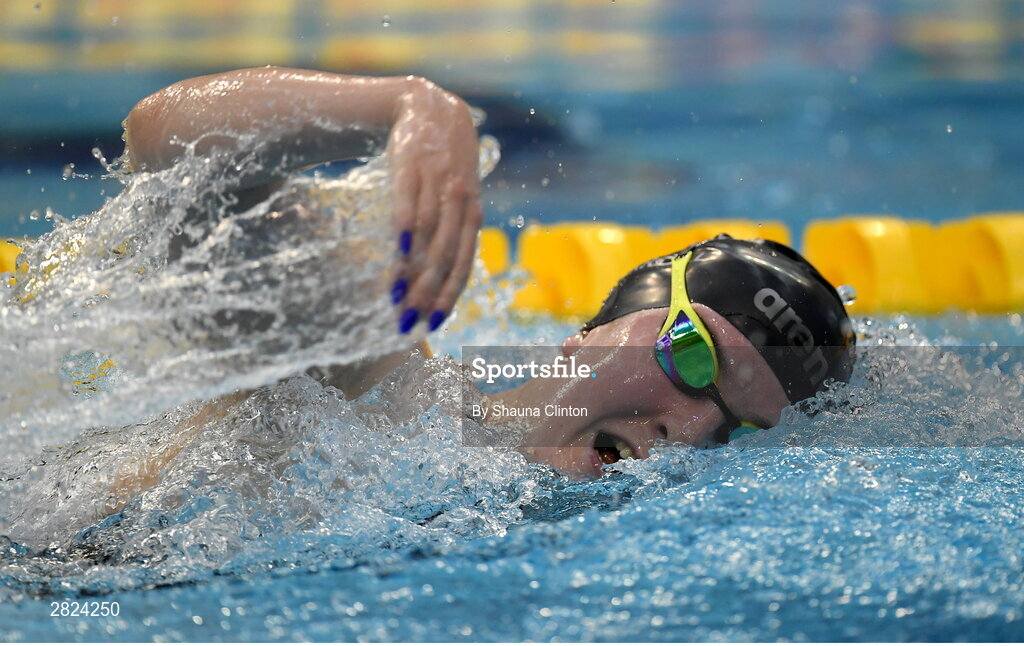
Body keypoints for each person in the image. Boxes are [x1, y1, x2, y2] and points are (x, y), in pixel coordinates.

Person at [41, 67, 858, 504]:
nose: (688, 428)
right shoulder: (380, 385)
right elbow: (170, 148)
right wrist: (405, 105)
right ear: (596, 329)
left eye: (737, 433)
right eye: (691, 354)